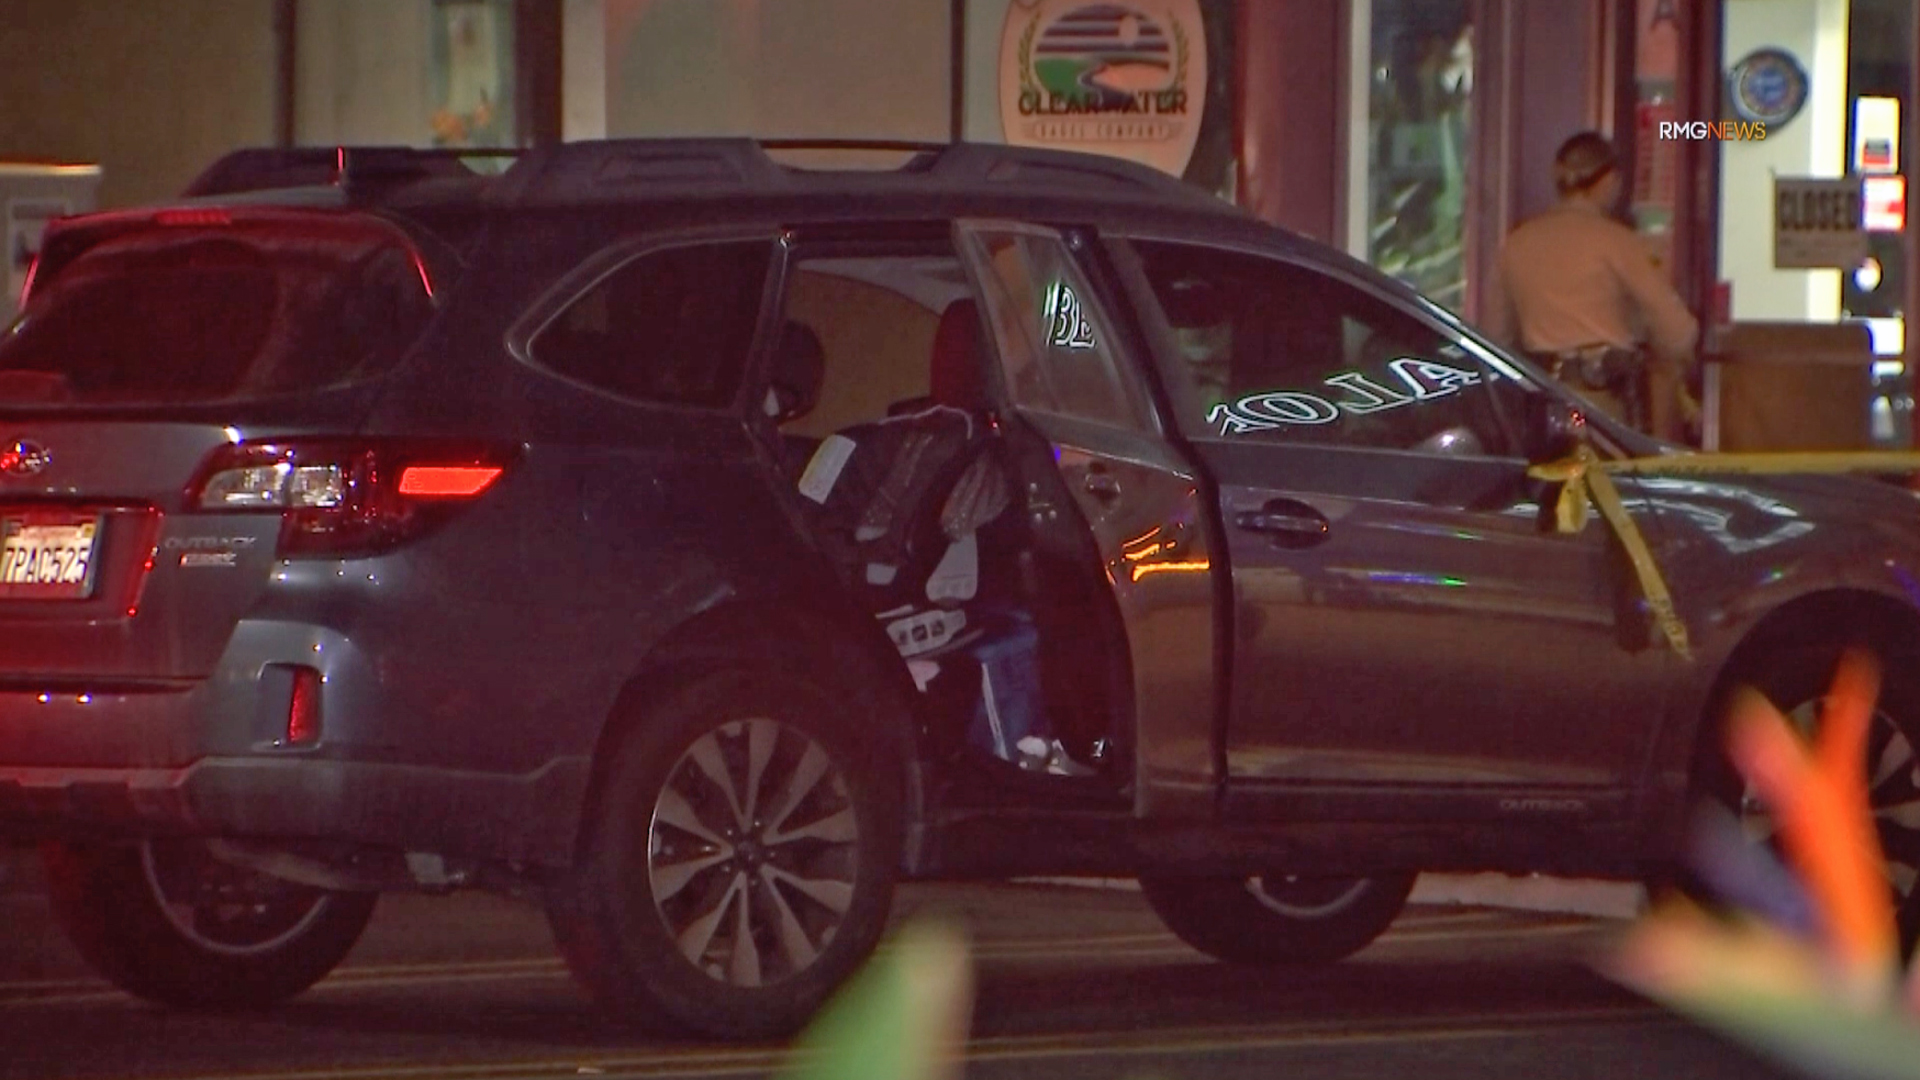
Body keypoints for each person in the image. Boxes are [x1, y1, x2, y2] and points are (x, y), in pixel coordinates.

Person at [1486, 131, 1700, 442]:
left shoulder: (1515, 245)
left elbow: (1496, 337)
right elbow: (1677, 330)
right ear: (1609, 180)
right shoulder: (1617, 242)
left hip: (1538, 402)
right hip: (1602, 402)